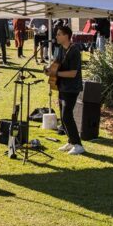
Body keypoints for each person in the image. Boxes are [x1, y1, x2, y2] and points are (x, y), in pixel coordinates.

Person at [49, 24, 85, 155]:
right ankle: (71, 141)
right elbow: (57, 64)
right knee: (63, 117)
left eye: (59, 34)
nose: (56, 36)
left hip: (72, 88)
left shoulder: (74, 51)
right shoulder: (60, 49)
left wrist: (56, 74)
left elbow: (73, 73)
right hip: (62, 86)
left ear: (66, 36)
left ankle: (78, 145)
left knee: (66, 115)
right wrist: (50, 70)